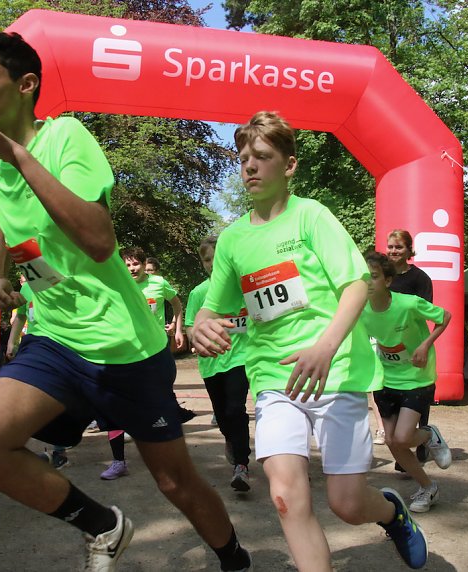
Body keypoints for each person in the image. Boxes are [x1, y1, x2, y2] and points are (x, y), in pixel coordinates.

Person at [0, 29, 251, 572]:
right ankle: (104, 526)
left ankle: (234, 559)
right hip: (55, 337)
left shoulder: (65, 138)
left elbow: (98, 240)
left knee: (173, 480)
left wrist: (17, 155)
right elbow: (6, 213)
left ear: (26, 85)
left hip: (124, 347)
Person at [192, 111, 428, 570]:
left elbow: (357, 284)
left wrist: (325, 347)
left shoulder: (312, 216)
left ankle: (391, 512)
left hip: (335, 371)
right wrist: (202, 322)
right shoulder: (233, 239)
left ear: (290, 165)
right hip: (273, 377)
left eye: (262, 156)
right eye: (243, 158)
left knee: (346, 504)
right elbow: (213, 306)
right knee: (285, 499)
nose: (250, 167)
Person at [361, 252, 453, 513]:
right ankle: (428, 488)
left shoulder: (409, 304)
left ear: (388, 281)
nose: (369, 281)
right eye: (365, 276)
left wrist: (425, 344)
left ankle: (429, 434)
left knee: (402, 438)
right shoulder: (361, 310)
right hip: (386, 379)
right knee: (392, 441)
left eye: (375, 276)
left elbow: (444, 317)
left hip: (416, 377)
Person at [96, 246, 188, 481]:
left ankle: (171, 458)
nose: (131, 268)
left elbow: (176, 304)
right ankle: (118, 462)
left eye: (135, 264)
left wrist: (176, 328)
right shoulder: (116, 284)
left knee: (159, 403)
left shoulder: (158, 283)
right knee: (114, 404)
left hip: (155, 351)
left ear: (143, 263)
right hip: (125, 352)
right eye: (127, 265)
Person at [185, 235, 252, 492]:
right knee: (223, 417)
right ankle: (232, 441)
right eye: (207, 259)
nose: (212, 263)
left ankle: (241, 466)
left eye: (216, 257)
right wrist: (198, 337)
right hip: (212, 362)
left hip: (241, 358)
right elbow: (191, 325)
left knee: (236, 409)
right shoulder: (199, 292)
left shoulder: (244, 287)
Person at [6, 277, 70, 471]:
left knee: (54, 400)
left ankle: (59, 452)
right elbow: (21, 316)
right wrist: (12, 341)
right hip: (32, 348)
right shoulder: (26, 288)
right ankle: (17, 449)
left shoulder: (58, 283)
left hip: (58, 348)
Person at [386, 229, 433, 465]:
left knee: (415, 400)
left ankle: (426, 437)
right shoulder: (382, 276)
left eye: (398, 248)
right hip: (387, 347)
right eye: (391, 247)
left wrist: (423, 346)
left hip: (413, 348)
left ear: (408, 251)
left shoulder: (420, 278)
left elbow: (428, 313)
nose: (393, 252)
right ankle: (402, 454)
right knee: (392, 404)